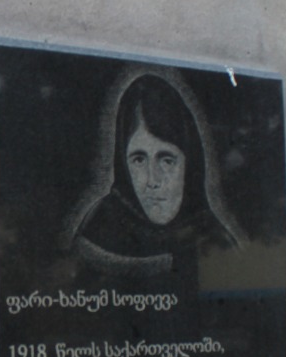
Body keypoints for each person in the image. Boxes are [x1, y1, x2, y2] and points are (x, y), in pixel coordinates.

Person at [72, 72, 238, 278]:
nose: (152, 180)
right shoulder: (99, 235)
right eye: (139, 160)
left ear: (190, 165)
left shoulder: (211, 234)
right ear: (123, 163)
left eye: (167, 161)